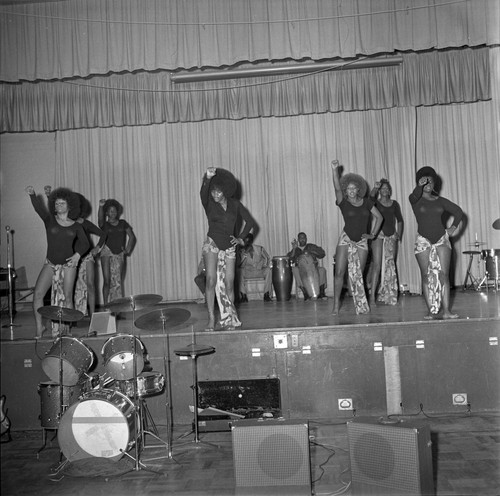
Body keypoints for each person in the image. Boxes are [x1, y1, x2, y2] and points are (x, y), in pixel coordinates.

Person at [25, 186, 89, 338]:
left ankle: (67, 330)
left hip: (68, 266)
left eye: (62, 203)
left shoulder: (76, 225)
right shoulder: (50, 221)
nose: (58, 206)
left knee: (68, 296)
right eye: (57, 203)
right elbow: (39, 209)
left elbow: (85, 243)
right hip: (50, 263)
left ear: (69, 206)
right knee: (38, 294)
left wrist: (77, 256)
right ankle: (39, 328)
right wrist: (33, 195)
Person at [200, 167, 256, 331]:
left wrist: (240, 238)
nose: (215, 195)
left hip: (230, 247)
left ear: (224, 191)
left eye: (218, 192)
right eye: (213, 192)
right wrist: (207, 178)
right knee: (210, 280)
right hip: (212, 243)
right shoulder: (209, 203)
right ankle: (211, 318)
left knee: (230, 284)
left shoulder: (235, 204)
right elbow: (203, 192)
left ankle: (230, 317)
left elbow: (251, 223)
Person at [409, 166, 463, 319]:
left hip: (441, 239)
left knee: (444, 276)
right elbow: (413, 195)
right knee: (426, 276)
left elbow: (458, 212)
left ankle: (447, 311)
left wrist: (453, 227)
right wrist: (419, 186)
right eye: (424, 182)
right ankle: (430, 311)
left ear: (434, 184)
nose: (427, 184)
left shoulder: (440, 201)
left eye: (430, 182)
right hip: (423, 240)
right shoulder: (415, 200)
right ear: (419, 184)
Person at [330, 161, 383, 315]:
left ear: (358, 189)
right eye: (348, 188)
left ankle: (359, 304)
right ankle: (335, 305)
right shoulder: (343, 202)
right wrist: (334, 170)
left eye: (354, 188)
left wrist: (372, 234)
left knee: (358, 274)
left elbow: (379, 218)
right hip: (346, 238)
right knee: (339, 272)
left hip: (361, 241)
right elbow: (336, 187)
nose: (351, 191)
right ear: (345, 190)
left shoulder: (366, 202)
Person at [368, 179, 404, 305]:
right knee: (377, 266)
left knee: (391, 265)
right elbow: (370, 198)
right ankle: (372, 296)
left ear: (389, 191)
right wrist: (374, 188)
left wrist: (398, 234)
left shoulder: (394, 204)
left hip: (391, 236)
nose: (384, 190)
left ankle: (389, 294)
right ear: (379, 190)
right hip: (378, 236)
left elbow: (399, 220)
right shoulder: (375, 203)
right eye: (382, 188)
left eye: (386, 188)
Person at [72, 194, 107, 318]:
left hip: (87, 257)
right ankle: (75, 316)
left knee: (91, 284)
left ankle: (93, 315)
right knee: (73, 286)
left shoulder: (85, 223)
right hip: (72, 258)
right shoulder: (66, 223)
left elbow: (103, 234)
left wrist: (97, 248)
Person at [98, 198, 136, 304]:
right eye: (110, 211)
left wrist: (127, 250)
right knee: (107, 281)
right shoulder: (104, 225)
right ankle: (106, 305)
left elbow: (132, 237)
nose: (113, 213)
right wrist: (101, 206)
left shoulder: (123, 223)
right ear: (107, 212)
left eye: (114, 211)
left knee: (118, 282)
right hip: (106, 252)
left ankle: (117, 308)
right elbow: (100, 220)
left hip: (119, 253)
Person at [287, 232, 327, 299]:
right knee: (295, 269)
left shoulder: (311, 246)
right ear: (298, 240)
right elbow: (289, 259)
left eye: (304, 238)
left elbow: (322, 253)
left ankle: (321, 293)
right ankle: (305, 293)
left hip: (313, 268)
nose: (302, 239)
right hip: (301, 270)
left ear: (306, 239)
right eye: (300, 238)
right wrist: (294, 249)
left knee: (322, 270)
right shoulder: (296, 249)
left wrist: (312, 252)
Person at [237, 233, 272, 302]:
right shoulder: (241, 251)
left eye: (248, 241)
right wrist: (244, 255)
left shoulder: (259, 248)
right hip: (248, 272)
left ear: (251, 241)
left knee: (268, 270)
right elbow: (240, 265)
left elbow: (267, 258)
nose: (247, 243)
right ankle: (243, 296)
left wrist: (263, 265)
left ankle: (266, 294)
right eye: (245, 241)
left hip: (259, 271)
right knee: (239, 271)